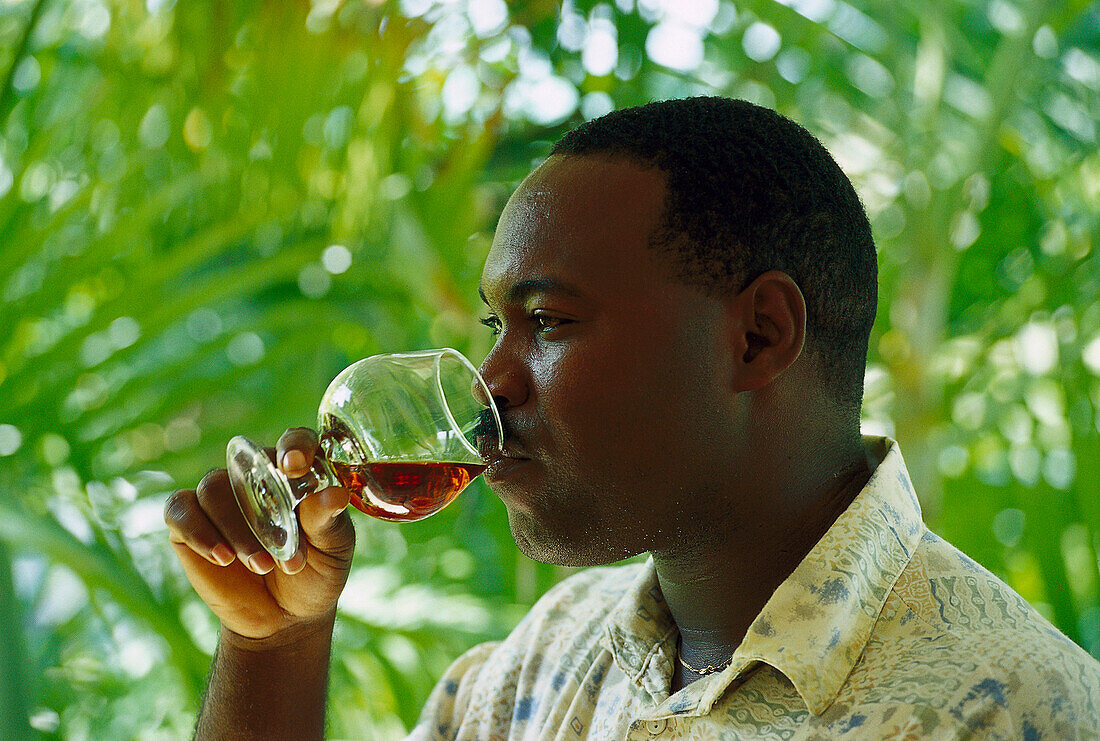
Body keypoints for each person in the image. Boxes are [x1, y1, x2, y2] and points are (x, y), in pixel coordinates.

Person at [164, 97, 1100, 740]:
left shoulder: (1002, 708)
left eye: (549, 322)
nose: (492, 380)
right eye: (498, 324)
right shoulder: (545, 665)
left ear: (758, 337)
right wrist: (274, 644)